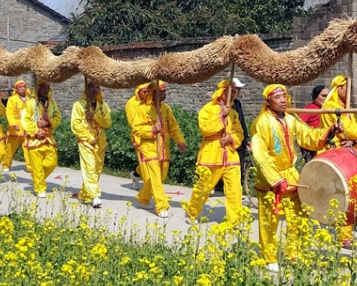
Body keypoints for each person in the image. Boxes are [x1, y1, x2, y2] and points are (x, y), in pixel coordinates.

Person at [250, 84, 341, 272]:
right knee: (270, 220)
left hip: (291, 173)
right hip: (271, 178)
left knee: (298, 215)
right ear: (268, 102)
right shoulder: (262, 122)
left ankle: (294, 253)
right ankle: (269, 257)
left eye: (284, 96)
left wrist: (330, 130)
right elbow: (261, 155)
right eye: (278, 97)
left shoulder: (291, 119)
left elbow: (307, 135)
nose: (283, 100)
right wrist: (275, 179)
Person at [185, 79, 245, 226]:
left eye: (236, 91)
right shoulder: (208, 109)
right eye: (231, 91)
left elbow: (240, 132)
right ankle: (192, 211)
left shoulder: (234, 113)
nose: (234, 94)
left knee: (235, 190)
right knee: (204, 187)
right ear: (222, 91)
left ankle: (235, 222)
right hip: (212, 153)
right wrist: (221, 116)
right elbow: (205, 128)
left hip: (230, 155)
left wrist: (231, 138)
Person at [125, 81, 187, 218]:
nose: (165, 94)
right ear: (154, 93)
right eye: (162, 91)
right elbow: (136, 129)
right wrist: (151, 130)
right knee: (155, 177)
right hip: (149, 147)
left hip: (164, 147)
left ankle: (142, 197)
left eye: (165, 91)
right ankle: (161, 206)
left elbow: (173, 127)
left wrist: (180, 140)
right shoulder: (142, 109)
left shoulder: (166, 109)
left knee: (161, 175)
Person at [319, 75, 357, 247]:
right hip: (336, 155)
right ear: (338, 88)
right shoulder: (331, 107)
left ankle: (344, 233)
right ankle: (342, 234)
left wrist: (353, 141)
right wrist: (355, 134)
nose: (350, 91)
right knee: (342, 194)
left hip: (349, 154)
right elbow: (356, 130)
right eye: (347, 87)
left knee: (351, 193)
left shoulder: (348, 109)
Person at [71, 80, 112, 207]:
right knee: (89, 168)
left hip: (100, 142)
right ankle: (95, 196)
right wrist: (88, 138)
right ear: (86, 89)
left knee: (97, 169)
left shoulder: (103, 105)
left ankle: (85, 194)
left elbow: (108, 123)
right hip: (86, 143)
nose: (95, 89)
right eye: (92, 87)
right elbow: (76, 125)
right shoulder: (78, 105)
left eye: (97, 87)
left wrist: (94, 116)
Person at [22, 82, 62, 198]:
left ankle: (37, 178)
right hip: (35, 140)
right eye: (43, 87)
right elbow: (25, 119)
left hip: (48, 138)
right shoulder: (30, 103)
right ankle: (40, 188)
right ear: (38, 88)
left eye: (48, 87)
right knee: (37, 166)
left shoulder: (52, 104)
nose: (46, 89)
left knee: (52, 163)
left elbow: (57, 117)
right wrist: (35, 131)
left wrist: (48, 122)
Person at [3, 80, 29, 172]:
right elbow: (9, 113)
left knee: (28, 148)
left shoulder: (30, 99)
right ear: (16, 89)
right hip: (15, 129)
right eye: (20, 87)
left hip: (27, 128)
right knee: (10, 148)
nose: (22, 89)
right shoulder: (12, 99)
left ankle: (30, 166)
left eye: (24, 87)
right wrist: (13, 124)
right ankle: (6, 165)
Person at [299, 84, 328, 161]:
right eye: (323, 96)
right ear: (316, 96)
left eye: (327, 96)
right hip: (311, 146)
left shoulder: (328, 109)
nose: (326, 98)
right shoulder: (309, 109)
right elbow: (299, 125)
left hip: (324, 143)